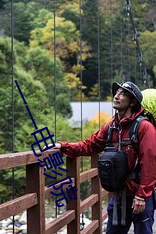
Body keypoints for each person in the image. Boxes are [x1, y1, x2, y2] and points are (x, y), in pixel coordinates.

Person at [51, 81, 156, 234]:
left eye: (122, 94)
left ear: (133, 102)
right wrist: (64, 146)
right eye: (117, 92)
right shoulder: (111, 127)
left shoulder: (144, 127)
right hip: (119, 195)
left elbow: (150, 163)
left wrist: (142, 196)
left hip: (139, 197)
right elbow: (89, 145)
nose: (116, 96)